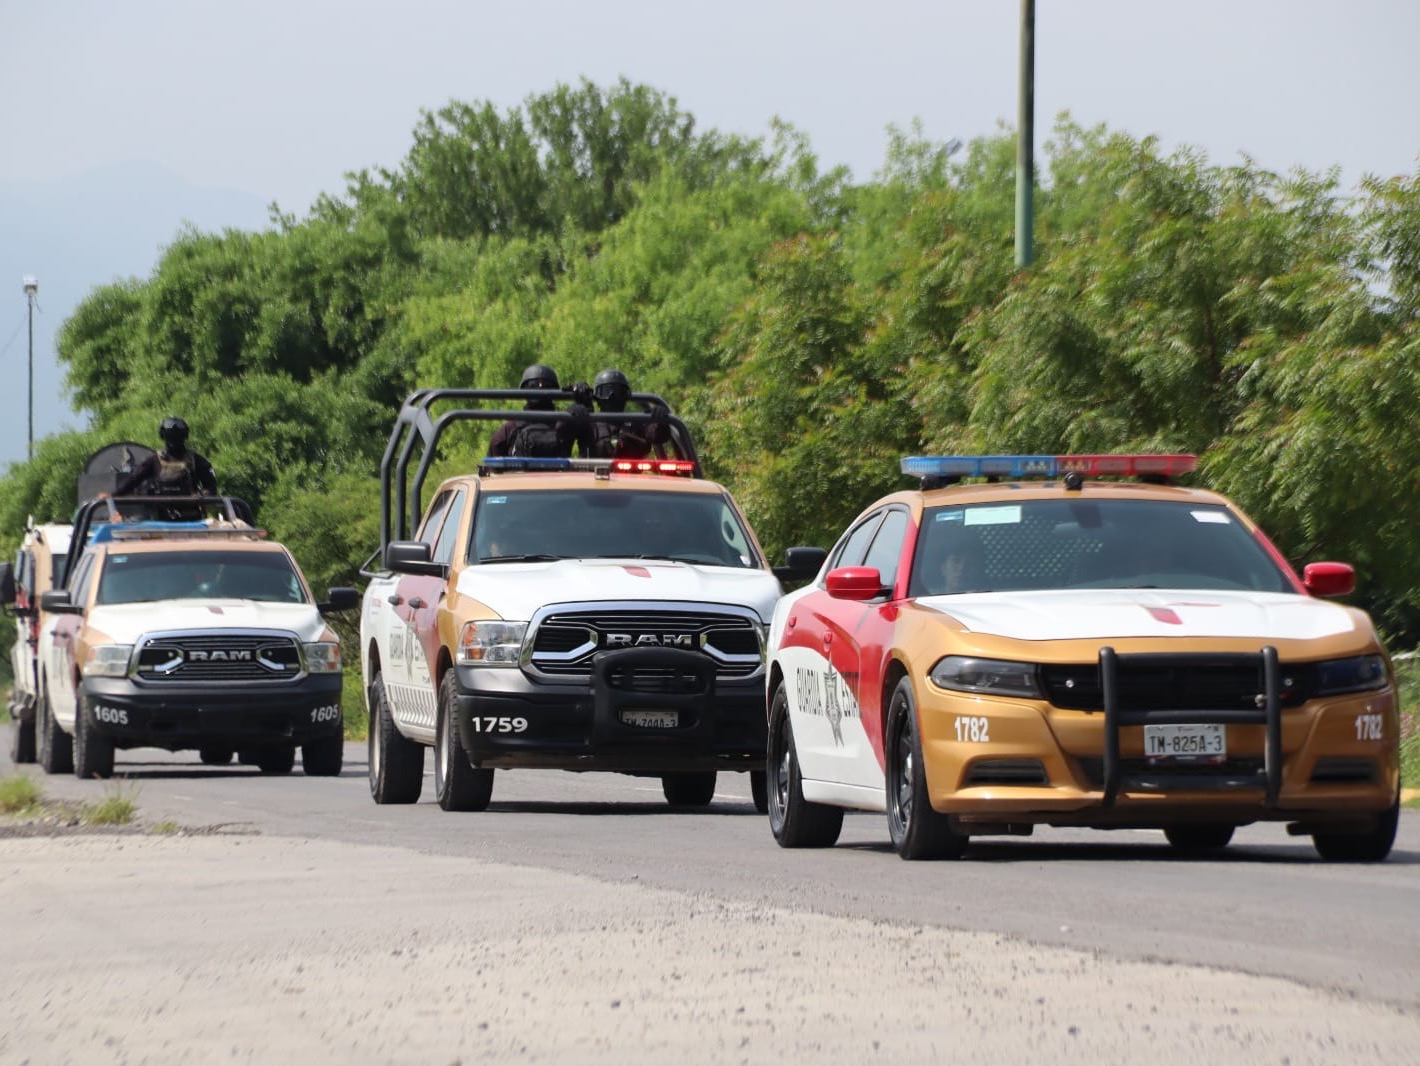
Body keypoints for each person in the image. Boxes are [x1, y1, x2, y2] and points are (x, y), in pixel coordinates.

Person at [488, 364, 593, 458]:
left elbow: (491, 470)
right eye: (534, 385)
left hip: (521, 479)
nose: (541, 387)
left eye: (546, 386)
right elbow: (592, 441)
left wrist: (583, 404)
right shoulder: (566, 423)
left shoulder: (508, 430)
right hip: (559, 479)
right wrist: (585, 404)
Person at [112, 417, 218, 498]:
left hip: (192, 516)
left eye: (177, 437)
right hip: (160, 517)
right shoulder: (154, 461)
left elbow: (211, 487)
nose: (174, 440)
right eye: (170, 436)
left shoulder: (196, 460)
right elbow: (132, 481)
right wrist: (112, 496)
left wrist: (202, 495)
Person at [587, 367, 672, 459]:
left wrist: (660, 422)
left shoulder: (637, 424)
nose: (612, 396)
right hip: (591, 472)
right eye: (606, 392)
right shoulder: (590, 424)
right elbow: (570, 430)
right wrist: (579, 402)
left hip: (632, 472)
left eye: (619, 391)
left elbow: (658, 436)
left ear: (626, 395)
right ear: (597, 397)